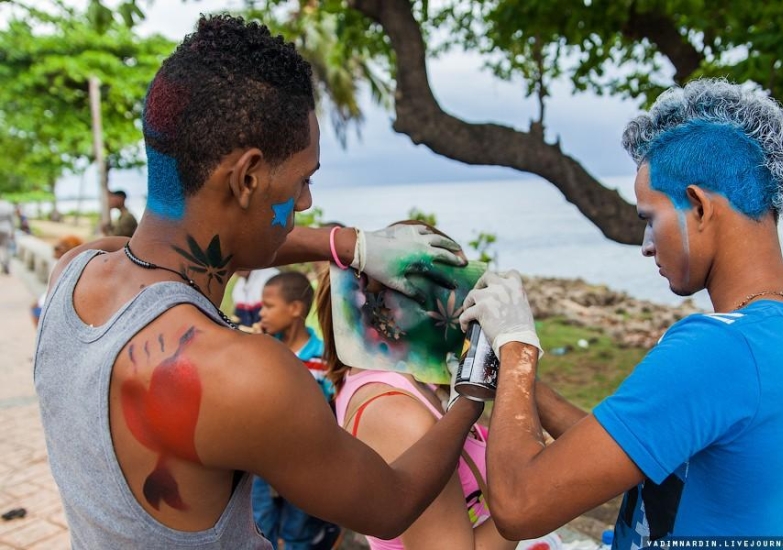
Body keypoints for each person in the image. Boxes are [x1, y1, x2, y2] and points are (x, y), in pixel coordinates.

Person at [33, 15, 482, 549]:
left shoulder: (75, 272)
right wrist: (475, 384)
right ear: (247, 177)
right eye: (302, 180)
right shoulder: (243, 374)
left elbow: (198, 253)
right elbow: (390, 506)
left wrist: (346, 244)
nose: (306, 202)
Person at [460, 78, 783, 544]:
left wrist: (517, 348)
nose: (646, 247)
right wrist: (514, 384)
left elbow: (517, 505)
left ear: (698, 206)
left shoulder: (720, 348)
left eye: (649, 219)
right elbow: (638, 445)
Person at [316, 223, 516, 550]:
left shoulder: (415, 382)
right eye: (453, 286)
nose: (468, 301)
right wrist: (539, 495)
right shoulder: (393, 410)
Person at [252, 271, 341, 549]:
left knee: (298, 532)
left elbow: (333, 412)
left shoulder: (322, 358)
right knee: (258, 526)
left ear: (295, 309)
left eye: (268, 305)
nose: (261, 312)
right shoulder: (262, 351)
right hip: (259, 462)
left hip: (306, 466)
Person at [31, 234, 84, 326]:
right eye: (58, 245)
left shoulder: (69, 267)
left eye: (63, 246)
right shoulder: (59, 264)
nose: (56, 248)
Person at [0, 199, 14, 275]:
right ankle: (6, 265)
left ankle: (2, 263)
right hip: (6, 229)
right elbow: (12, 220)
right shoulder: (8, 206)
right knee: (6, 249)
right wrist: (13, 232)